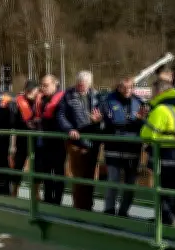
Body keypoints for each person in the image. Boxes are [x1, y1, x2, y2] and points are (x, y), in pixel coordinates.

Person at [140, 79, 175, 228]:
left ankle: (168, 220)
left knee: (163, 190)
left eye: (152, 91)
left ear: (159, 91)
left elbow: (147, 135)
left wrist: (143, 121)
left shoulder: (160, 109)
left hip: (166, 157)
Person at [57, 71, 103, 210]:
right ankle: (79, 207)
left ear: (89, 84)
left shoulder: (96, 96)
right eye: (79, 84)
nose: (81, 86)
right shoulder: (68, 96)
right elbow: (61, 115)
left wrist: (98, 121)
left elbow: (103, 116)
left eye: (83, 84)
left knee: (90, 175)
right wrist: (69, 129)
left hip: (92, 141)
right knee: (78, 176)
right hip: (75, 141)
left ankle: (88, 205)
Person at [101, 77, 146, 217]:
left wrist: (137, 121)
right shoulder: (107, 102)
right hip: (114, 147)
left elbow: (143, 125)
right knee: (113, 179)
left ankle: (124, 211)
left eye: (130, 87)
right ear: (118, 87)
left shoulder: (139, 102)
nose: (127, 90)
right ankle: (109, 210)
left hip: (132, 148)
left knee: (130, 182)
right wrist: (132, 123)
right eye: (124, 87)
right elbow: (110, 123)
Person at [34, 75, 66, 205]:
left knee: (58, 172)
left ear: (55, 84)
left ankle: (57, 201)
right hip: (46, 141)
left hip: (58, 141)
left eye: (46, 85)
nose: (43, 88)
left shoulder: (62, 99)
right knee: (46, 171)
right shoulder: (42, 100)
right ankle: (48, 199)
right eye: (42, 85)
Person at [10, 80, 39, 197]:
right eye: (29, 90)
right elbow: (12, 122)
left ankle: (36, 192)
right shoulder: (17, 102)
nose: (31, 93)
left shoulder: (40, 101)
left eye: (32, 90)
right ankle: (14, 190)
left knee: (37, 166)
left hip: (37, 140)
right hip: (23, 139)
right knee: (18, 165)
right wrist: (24, 123)